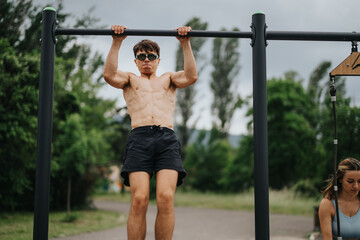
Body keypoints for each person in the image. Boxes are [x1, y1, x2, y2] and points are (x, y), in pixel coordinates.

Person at [103, 25, 197, 240]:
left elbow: (191, 76)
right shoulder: (129, 80)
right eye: (141, 56)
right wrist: (117, 42)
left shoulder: (169, 79)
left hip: (166, 139)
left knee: (165, 197)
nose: (147, 59)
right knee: (139, 199)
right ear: (135, 61)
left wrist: (185, 43)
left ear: (158, 60)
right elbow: (108, 75)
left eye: (151, 56)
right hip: (140, 138)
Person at [318, 157, 360, 240]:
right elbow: (327, 238)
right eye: (350, 181)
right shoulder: (328, 204)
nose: (356, 186)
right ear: (340, 180)